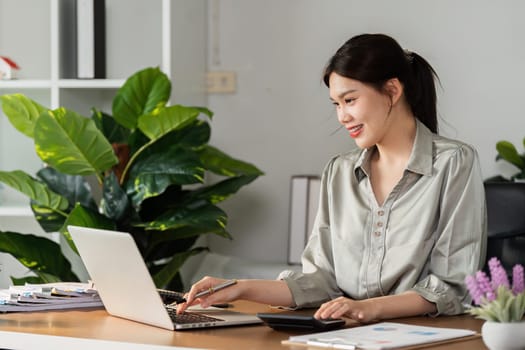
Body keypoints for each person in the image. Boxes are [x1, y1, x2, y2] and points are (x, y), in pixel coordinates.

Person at [177, 33, 487, 323]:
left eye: (350, 100)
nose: (342, 117)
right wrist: (238, 287)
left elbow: (452, 286)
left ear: (392, 90)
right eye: (337, 104)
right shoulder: (338, 172)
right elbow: (320, 280)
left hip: (427, 338)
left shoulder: (453, 162)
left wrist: (368, 308)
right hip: (346, 334)